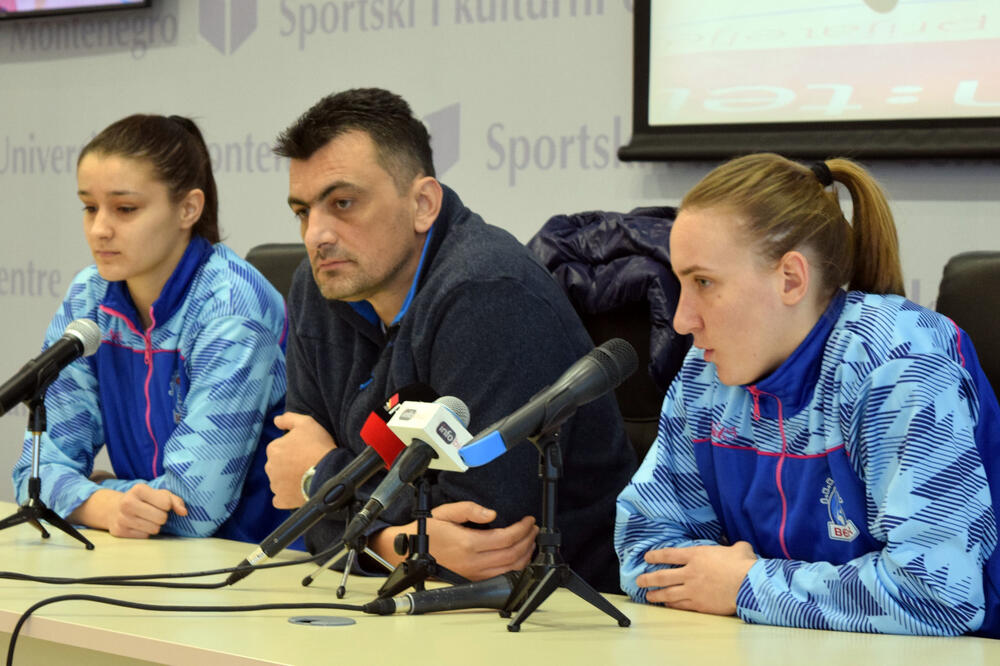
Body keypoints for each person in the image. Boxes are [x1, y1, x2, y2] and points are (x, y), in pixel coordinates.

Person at [264, 88, 636, 592]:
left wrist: (319, 479)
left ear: (423, 204)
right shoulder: (320, 286)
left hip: (554, 610)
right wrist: (395, 542)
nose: (316, 235)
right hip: (394, 593)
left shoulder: (489, 294)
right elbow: (296, 500)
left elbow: (485, 532)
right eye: (303, 212)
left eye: (343, 203)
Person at [615, 153, 1000, 636]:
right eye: (681, 283)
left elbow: (938, 597)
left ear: (791, 279)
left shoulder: (897, 365)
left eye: (704, 282)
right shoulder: (705, 375)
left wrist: (747, 585)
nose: (681, 320)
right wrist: (729, 583)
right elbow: (645, 547)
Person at [11, 114, 290, 543]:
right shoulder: (90, 297)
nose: (99, 229)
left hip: (256, 559)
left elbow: (194, 508)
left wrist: (101, 490)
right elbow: (36, 474)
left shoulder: (232, 307)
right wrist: (106, 505)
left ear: (188, 208)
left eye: (125, 209)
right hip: (146, 553)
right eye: (89, 207)